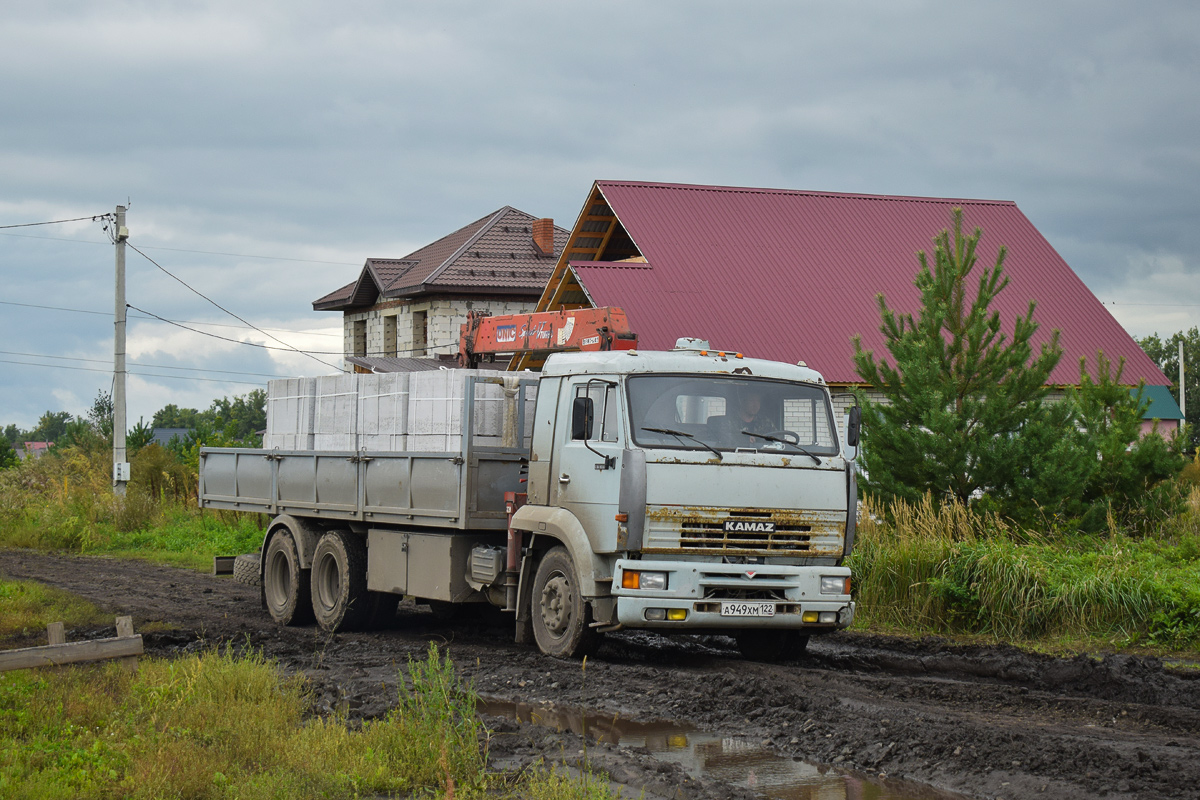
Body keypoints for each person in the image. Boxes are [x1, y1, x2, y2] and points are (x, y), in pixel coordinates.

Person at [708, 387, 774, 446]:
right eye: (752, 400)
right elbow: (724, 440)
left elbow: (777, 439)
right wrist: (745, 440)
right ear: (742, 401)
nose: (755, 404)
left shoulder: (765, 422)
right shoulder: (729, 422)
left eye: (758, 401)